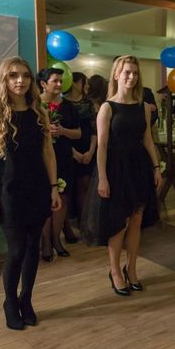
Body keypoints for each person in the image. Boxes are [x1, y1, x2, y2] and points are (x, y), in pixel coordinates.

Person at [81, 55, 161, 296]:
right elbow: (102, 147)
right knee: (118, 222)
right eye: (127, 72)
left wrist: (156, 167)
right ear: (116, 75)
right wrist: (103, 178)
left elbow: (147, 139)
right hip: (115, 168)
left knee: (136, 219)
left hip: (139, 167)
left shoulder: (143, 107)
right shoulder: (107, 108)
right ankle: (115, 271)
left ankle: (131, 268)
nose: (131, 77)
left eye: (135, 73)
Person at [0, 57, 62, 330]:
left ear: (32, 80)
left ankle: (27, 299)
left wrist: (54, 187)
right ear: (4, 79)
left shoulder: (39, 111)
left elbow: (48, 152)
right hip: (9, 191)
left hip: (38, 187)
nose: (20, 80)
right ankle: (10, 302)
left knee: (33, 247)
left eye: (25, 75)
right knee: (17, 250)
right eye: (13, 75)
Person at [38, 68, 81, 260]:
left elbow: (78, 133)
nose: (59, 84)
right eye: (55, 81)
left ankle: (56, 239)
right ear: (43, 83)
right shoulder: (35, 105)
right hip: (42, 159)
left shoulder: (69, 106)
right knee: (45, 201)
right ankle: (46, 243)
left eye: (60, 81)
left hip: (63, 157)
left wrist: (62, 131)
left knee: (63, 200)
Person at [64, 72, 96, 241]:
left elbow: (94, 130)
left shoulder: (88, 104)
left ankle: (85, 225)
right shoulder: (63, 103)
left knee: (85, 185)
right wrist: (74, 154)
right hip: (68, 150)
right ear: (75, 83)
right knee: (68, 189)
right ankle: (67, 227)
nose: (87, 86)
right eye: (84, 82)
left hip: (87, 147)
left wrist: (91, 151)